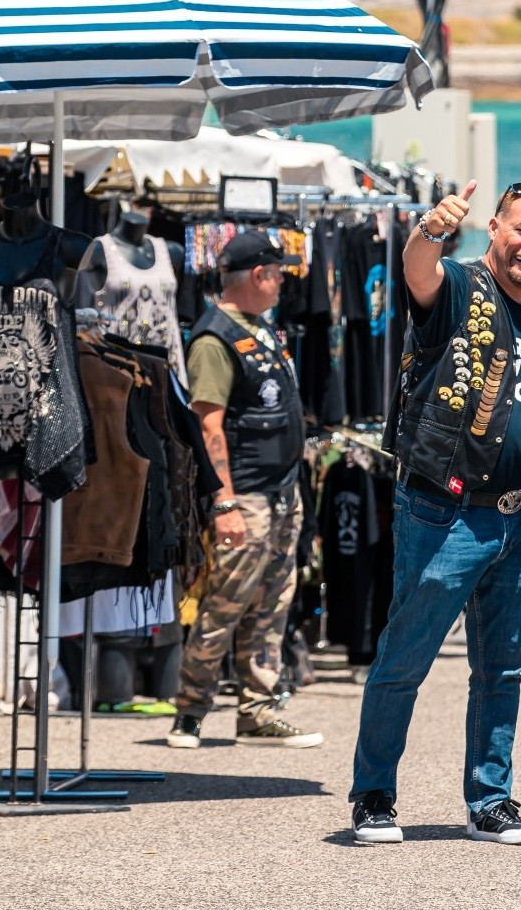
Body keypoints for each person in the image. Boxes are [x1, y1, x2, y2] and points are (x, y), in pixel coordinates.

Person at [350, 180, 521, 847]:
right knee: (404, 656)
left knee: (501, 669)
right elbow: (418, 270)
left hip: (518, 516)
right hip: (445, 508)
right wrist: (430, 228)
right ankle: (374, 796)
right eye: (520, 228)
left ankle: (490, 799)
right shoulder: (458, 291)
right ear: (495, 227)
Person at [167, 232, 322, 750]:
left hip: (281, 493)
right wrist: (225, 502)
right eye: (278, 273)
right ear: (259, 275)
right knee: (225, 604)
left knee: (273, 604)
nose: (282, 283)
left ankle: (258, 708)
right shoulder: (214, 340)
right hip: (247, 497)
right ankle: (190, 711)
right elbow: (208, 428)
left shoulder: (261, 329)